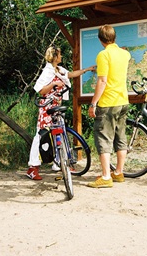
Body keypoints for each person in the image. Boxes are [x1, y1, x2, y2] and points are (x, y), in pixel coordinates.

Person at [27, 44, 96, 180]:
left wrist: (86, 70)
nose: (61, 56)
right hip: (47, 107)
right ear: (54, 56)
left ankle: (59, 162)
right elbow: (41, 90)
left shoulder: (58, 69)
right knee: (41, 135)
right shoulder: (48, 71)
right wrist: (53, 85)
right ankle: (32, 167)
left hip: (57, 106)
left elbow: (69, 74)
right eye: (59, 54)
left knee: (59, 132)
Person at [88, 24, 131, 188]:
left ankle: (106, 177)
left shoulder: (103, 55)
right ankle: (118, 173)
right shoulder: (125, 54)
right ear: (114, 38)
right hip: (123, 101)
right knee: (121, 137)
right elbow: (125, 54)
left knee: (103, 138)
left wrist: (93, 103)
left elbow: (102, 80)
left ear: (100, 40)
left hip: (108, 103)